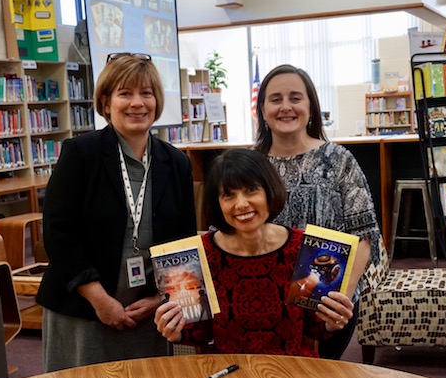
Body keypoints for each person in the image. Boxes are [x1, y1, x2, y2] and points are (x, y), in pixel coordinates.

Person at [37, 53, 197, 371]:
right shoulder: (81, 154)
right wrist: (100, 300)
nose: (137, 103)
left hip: (148, 315)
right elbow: (59, 234)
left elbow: (184, 242)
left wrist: (162, 299)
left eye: (146, 93)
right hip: (83, 311)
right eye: (125, 93)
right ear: (107, 103)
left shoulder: (176, 163)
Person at [154, 149, 354, 357]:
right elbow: (197, 333)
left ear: (269, 191)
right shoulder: (195, 256)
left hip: (293, 373)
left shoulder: (306, 248)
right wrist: (174, 330)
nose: (241, 204)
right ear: (217, 203)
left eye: (251, 190)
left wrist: (332, 321)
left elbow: (316, 329)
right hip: (228, 375)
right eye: (228, 195)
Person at [254, 64, 381, 360]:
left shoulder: (339, 160)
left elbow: (364, 236)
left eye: (295, 98)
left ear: (311, 106)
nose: (286, 107)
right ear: (262, 109)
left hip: (325, 305)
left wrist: (342, 298)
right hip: (262, 305)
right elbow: (223, 232)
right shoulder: (249, 164)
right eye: (275, 99)